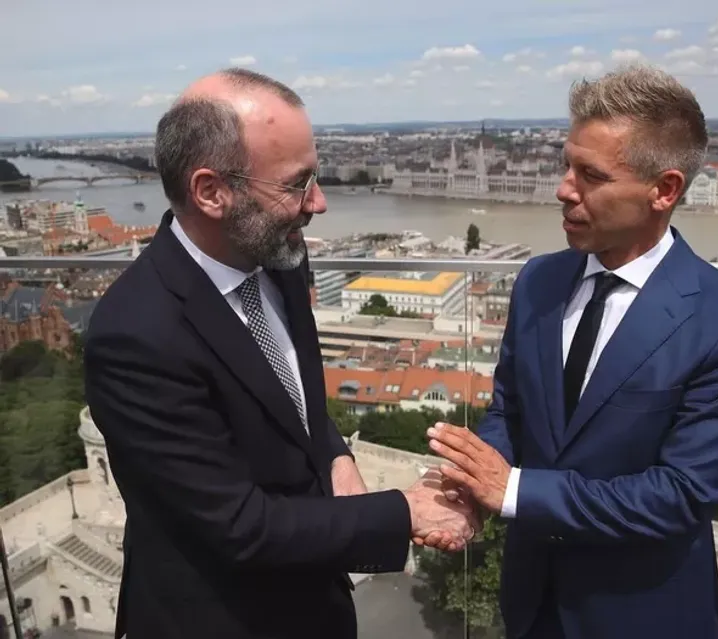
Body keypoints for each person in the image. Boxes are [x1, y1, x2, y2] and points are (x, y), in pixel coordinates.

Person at [83, 68, 477, 639]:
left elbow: (290, 398)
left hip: (316, 602)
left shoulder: (277, 255)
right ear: (211, 192)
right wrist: (407, 511)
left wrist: (335, 455)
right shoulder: (135, 336)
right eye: (296, 184)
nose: (319, 202)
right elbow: (238, 524)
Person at [426, 64, 718, 639]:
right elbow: (512, 411)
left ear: (664, 190)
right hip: (531, 602)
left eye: (590, 175)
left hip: (641, 615)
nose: (564, 189)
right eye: (567, 165)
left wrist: (512, 491)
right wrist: (469, 493)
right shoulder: (538, 281)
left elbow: (680, 496)